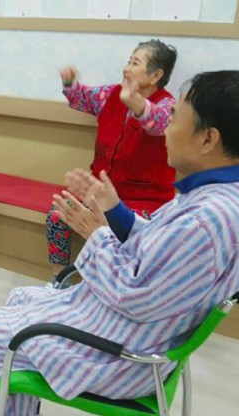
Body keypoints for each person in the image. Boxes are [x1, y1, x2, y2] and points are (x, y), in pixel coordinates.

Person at [0, 70, 239, 416]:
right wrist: (114, 209)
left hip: (127, 356)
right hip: (143, 330)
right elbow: (160, 249)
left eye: (176, 117)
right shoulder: (232, 193)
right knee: (21, 297)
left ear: (208, 139)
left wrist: (96, 234)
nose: (166, 127)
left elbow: (134, 295)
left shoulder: (207, 221)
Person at [47, 39, 178, 284]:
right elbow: (81, 97)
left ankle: (110, 286)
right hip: (101, 190)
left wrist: (136, 103)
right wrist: (70, 82)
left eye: (135, 63)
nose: (126, 68)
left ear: (156, 75)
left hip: (146, 199)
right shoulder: (111, 94)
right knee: (58, 213)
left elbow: (158, 123)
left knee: (121, 230)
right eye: (129, 61)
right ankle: (59, 280)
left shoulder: (168, 106)